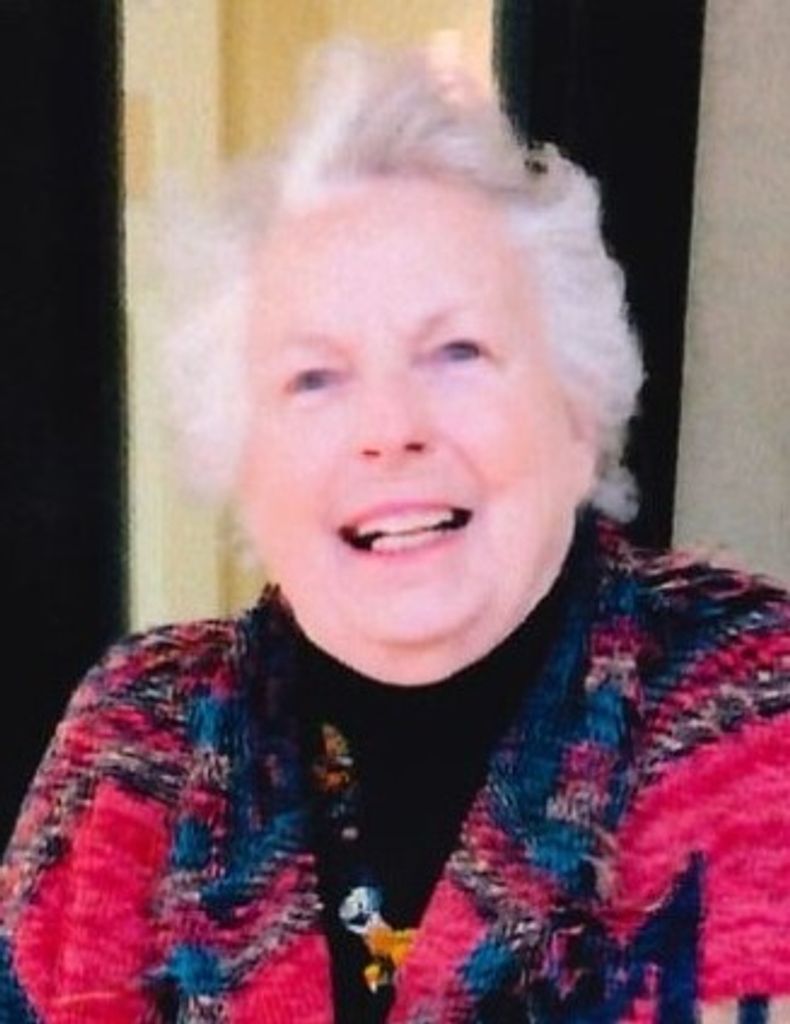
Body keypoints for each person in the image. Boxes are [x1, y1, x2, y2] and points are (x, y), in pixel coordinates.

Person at [1, 39, 789, 1024]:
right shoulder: (131, 742)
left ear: (578, 413)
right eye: (313, 378)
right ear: (241, 458)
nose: (389, 428)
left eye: (457, 350)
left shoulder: (762, 710)